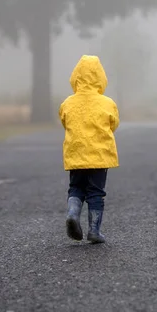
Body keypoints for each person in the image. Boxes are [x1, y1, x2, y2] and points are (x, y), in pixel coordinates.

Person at [59, 55, 120, 243]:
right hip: (99, 156)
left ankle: (73, 214)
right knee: (96, 192)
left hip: (76, 154)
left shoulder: (68, 103)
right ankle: (94, 230)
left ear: (76, 77)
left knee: (76, 187)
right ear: (100, 77)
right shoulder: (107, 103)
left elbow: (65, 121)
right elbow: (113, 124)